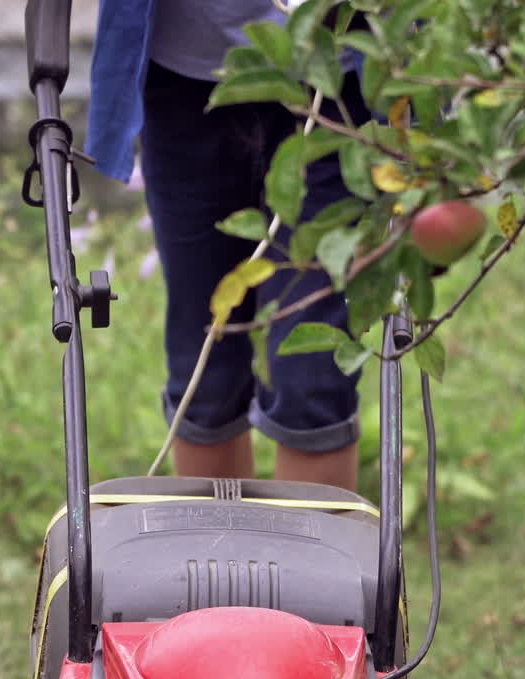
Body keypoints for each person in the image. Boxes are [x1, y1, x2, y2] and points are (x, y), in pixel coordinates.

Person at [86, 0, 362, 490]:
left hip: (343, 82)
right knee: (204, 365)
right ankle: (211, 561)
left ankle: (317, 564)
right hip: (184, 76)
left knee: (312, 378)